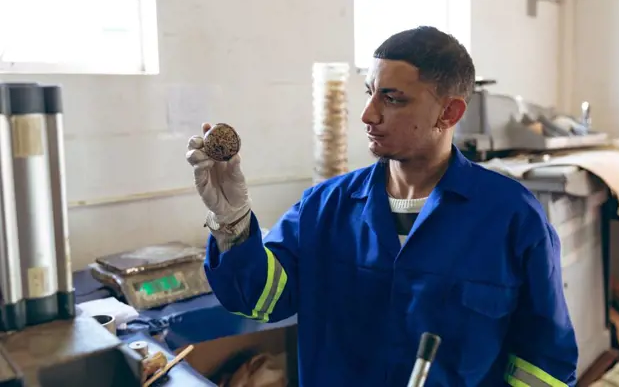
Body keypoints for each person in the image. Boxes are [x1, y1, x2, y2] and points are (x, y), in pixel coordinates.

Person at [186, 26, 578, 386]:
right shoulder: (324, 208)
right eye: (370, 92)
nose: (368, 114)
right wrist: (231, 218)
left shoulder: (511, 219)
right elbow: (259, 299)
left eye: (392, 98)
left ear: (449, 112)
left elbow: (543, 363)